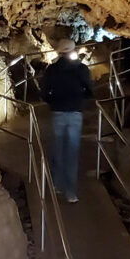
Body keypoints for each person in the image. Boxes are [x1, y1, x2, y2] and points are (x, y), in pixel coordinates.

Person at [40, 38, 93, 203]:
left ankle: (56, 184)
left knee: (57, 148)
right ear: (72, 51)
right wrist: (80, 98)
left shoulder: (52, 69)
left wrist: (52, 101)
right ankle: (71, 192)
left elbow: (44, 92)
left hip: (58, 112)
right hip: (75, 113)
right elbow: (89, 90)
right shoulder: (82, 69)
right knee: (72, 152)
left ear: (59, 52)